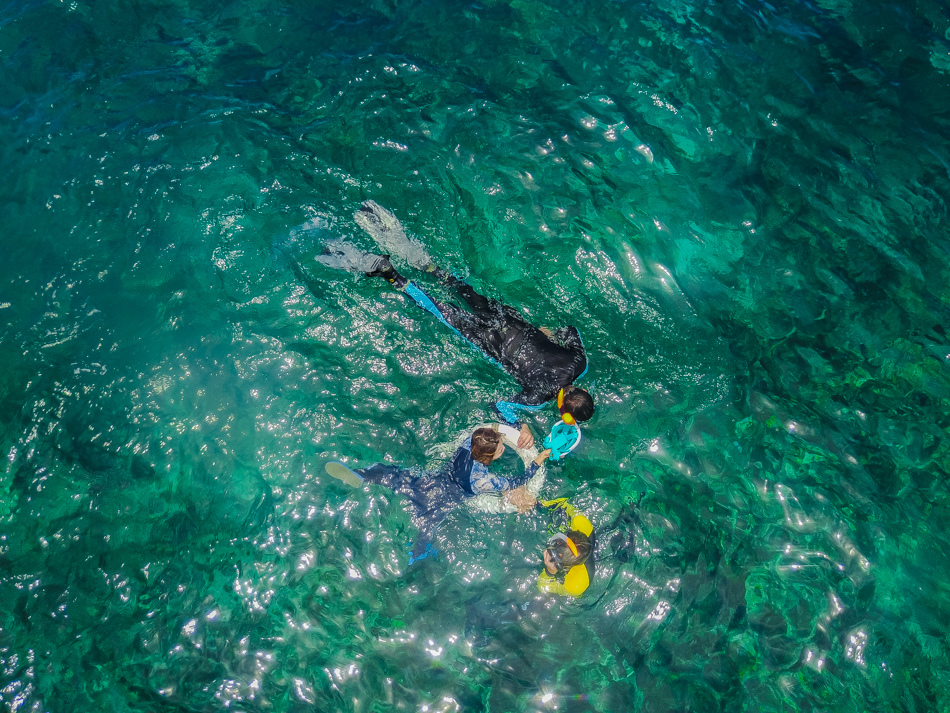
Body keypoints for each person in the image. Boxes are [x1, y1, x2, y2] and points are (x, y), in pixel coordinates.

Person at [354, 201, 594, 452]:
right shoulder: (538, 398)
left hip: (509, 322)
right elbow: (499, 405)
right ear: (564, 414)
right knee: (440, 310)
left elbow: (570, 331)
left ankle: (425, 265)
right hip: (491, 343)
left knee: (463, 290)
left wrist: (550, 333)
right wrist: (521, 425)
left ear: (583, 388)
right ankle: (391, 274)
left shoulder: (579, 362)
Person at [326, 426, 552, 564]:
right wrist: (537, 460)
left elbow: (485, 435)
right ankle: (413, 561)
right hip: (443, 503)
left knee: (392, 474)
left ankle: (362, 475)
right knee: (424, 534)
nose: (503, 445)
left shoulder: (468, 443)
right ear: (489, 457)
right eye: (501, 446)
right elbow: (517, 481)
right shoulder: (485, 480)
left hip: (429, 483)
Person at [536, 498, 595, 598]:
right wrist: (537, 502)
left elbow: (544, 588)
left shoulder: (576, 584)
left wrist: (550, 572)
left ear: (560, 564)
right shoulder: (579, 522)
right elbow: (564, 503)